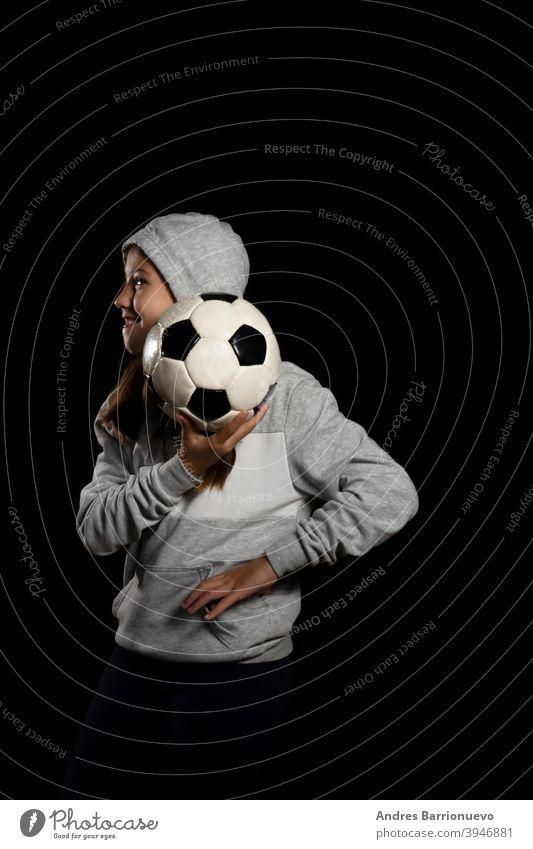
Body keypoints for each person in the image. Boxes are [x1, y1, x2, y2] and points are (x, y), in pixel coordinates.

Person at [59, 211, 419, 800]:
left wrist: (270, 566)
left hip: (239, 675)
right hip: (137, 657)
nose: (120, 299)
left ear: (195, 299)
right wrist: (186, 469)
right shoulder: (130, 404)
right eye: (126, 281)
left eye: (139, 281)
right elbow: (96, 531)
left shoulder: (287, 399)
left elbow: (388, 493)